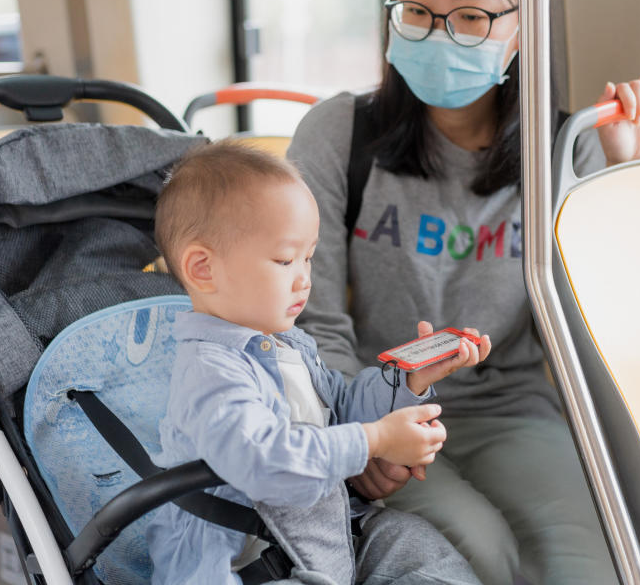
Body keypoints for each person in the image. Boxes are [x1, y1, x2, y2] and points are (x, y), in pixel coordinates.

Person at [286, 0, 640, 583]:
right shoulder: (337, 136)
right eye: (417, 11)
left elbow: (606, 329)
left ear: (525, 28)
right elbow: (312, 319)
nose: (439, 35)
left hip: (510, 407)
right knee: (482, 554)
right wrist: (360, 432)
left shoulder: (561, 152)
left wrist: (625, 174)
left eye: (470, 18)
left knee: (592, 568)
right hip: (382, 404)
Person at [145, 140, 490, 585]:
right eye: (286, 260)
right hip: (250, 564)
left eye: (309, 257)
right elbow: (265, 461)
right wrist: (374, 440)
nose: (305, 278)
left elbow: (340, 408)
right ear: (203, 269)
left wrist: (408, 379)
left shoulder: (289, 344)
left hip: (330, 539)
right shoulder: (210, 371)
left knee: (417, 545)